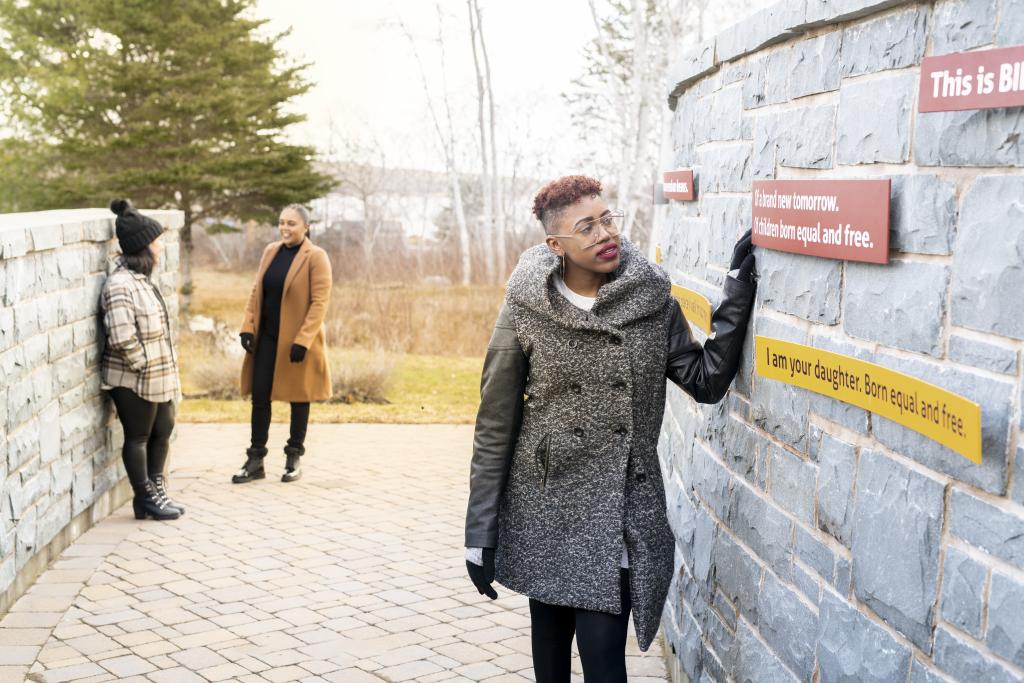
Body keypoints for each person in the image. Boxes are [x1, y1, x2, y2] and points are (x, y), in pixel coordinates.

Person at [464, 176, 756, 683]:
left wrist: (736, 292)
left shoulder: (650, 300)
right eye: (587, 227)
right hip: (545, 503)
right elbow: (495, 423)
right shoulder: (525, 306)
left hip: (621, 504)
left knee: (604, 658)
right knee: (550, 659)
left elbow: (704, 379)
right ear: (556, 246)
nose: (605, 233)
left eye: (607, 218)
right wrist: (479, 531)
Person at [233, 204, 333, 484]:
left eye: (292, 223)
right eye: (282, 223)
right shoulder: (270, 251)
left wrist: (303, 340)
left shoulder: (316, 257)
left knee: (298, 397)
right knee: (260, 397)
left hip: (297, 341)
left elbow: (320, 303)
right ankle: (255, 460)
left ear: (306, 227)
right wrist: (247, 326)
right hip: (267, 338)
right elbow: (256, 292)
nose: (285, 228)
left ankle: (293, 457)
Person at [101, 199, 184, 521]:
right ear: (143, 247)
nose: (161, 247)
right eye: (156, 241)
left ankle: (157, 489)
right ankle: (145, 496)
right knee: (138, 436)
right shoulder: (120, 285)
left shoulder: (141, 281)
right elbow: (122, 337)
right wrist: (144, 366)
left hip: (159, 375)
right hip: (133, 379)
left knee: (163, 431)